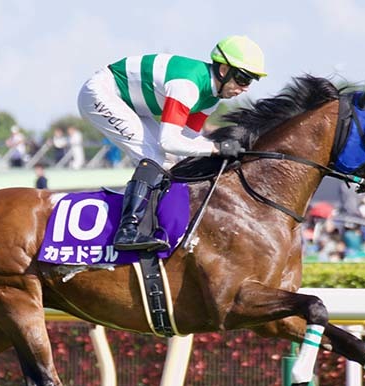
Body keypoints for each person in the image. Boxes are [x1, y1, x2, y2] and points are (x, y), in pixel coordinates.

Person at [78, 35, 266, 251]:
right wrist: (217, 148)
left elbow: (186, 140)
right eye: (243, 79)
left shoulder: (211, 98)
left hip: (130, 104)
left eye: (251, 81)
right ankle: (127, 231)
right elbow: (169, 141)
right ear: (224, 70)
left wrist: (227, 147)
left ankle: (152, 220)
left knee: (167, 160)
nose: (245, 88)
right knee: (154, 156)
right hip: (101, 93)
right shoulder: (187, 86)